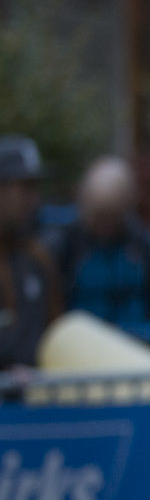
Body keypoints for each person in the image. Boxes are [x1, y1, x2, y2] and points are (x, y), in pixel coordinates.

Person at [48, 155, 150, 355]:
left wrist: (134, 336)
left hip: (136, 358)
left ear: (127, 207)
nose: (101, 225)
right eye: (95, 214)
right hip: (76, 358)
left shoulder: (149, 248)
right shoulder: (64, 247)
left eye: (109, 215)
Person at [0, 135, 62, 369]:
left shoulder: (38, 256)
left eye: (35, 188)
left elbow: (56, 334)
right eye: (24, 188)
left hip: (37, 400)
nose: (34, 199)